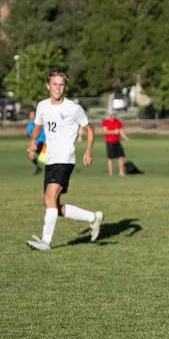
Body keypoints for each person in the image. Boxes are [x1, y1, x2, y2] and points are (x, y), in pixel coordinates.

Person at [26, 69, 104, 250]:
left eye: (61, 84)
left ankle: (46, 242)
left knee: (49, 197)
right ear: (48, 86)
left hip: (65, 158)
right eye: (55, 84)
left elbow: (90, 129)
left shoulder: (73, 108)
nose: (58, 88)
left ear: (65, 87)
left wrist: (88, 151)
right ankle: (93, 217)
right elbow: (38, 127)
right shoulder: (42, 106)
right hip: (50, 159)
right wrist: (33, 142)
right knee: (53, 204)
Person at [101, 112, 131, 177]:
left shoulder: (118, 122)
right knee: (110, 158)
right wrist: (114, 131)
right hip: (110, 142)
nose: (114, 116)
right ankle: (110, 173)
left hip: (117, 142)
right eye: (113, 115)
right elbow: (104, 131)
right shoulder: (106, 122)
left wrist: (125, 138)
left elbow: (121, 131)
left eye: (115, 115)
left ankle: (121, 172)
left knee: (121, 156)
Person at [25, 109, 46, 175]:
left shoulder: (41, 123)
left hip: (43, 142)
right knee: (31, 155)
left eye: (33, 114)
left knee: (46, 159)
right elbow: (29, 133)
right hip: (35, 143)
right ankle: (38, 167)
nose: (32, 116)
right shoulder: (29, 125)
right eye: (30, 114)